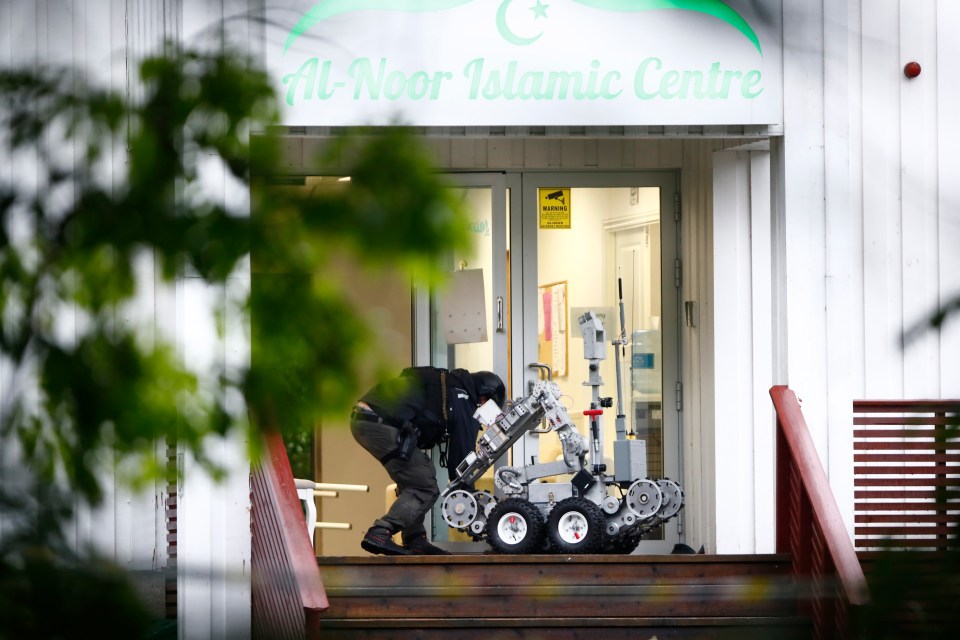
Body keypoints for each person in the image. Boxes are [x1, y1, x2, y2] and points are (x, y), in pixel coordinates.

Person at [350, 366, 505, 556]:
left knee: (416, 477)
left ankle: (415, 539)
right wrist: (468, 498)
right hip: (380, 423)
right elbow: (461, 457)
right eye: (488, 405)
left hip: (368, 418)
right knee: (424, 486)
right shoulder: (464, 399)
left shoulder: (451, 386)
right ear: (483, 397)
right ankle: (381, 531)